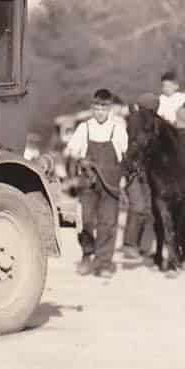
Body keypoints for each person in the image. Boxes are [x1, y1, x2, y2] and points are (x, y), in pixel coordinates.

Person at [65, 88, 129, 277]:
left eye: (104, 108)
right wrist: (79, 160)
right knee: (86, 221)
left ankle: (103, 262)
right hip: (88, 182)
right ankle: (87, 254)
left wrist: (123, 180)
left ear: (109, 108)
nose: (100, 112)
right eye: (97, 108)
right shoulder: (84, 127)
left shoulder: (118, 128)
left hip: (110, 183)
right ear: (92, 107)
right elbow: (71, 151)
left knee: (107, 223)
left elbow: (124, 156)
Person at [121, 93, 158, 261]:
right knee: (139, 207)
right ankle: (132, 245)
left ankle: (142, 246)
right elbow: (131, 144)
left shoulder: (151, 123)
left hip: (147, 170)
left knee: (147, 208)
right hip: (134, 169)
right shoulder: (136, 121)